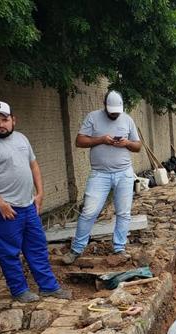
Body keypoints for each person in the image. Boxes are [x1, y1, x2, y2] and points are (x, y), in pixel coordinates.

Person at [0, 101, 71, 302]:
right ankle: (19, 290)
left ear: (13, 120)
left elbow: (34, 166)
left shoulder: (22, 139)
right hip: (6, 208)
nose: (1, 124)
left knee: (37, 246)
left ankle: (48, 287)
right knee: (9, 251)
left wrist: (40, 193)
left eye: (5, 119)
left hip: (28, 205)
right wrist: (0, 203)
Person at [62, 90, 141, 264]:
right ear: (104, 106)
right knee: (89, 212)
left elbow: (138, 146)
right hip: (100, 174)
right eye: (111, 112)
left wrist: (126, 143)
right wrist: (101, 140)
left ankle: (119, 247)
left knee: (123, 213)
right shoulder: (93, 117)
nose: (114, 115)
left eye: (117, 112)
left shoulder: (127, 119)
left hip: (124, 173)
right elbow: (79, 141)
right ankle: (76, 249)